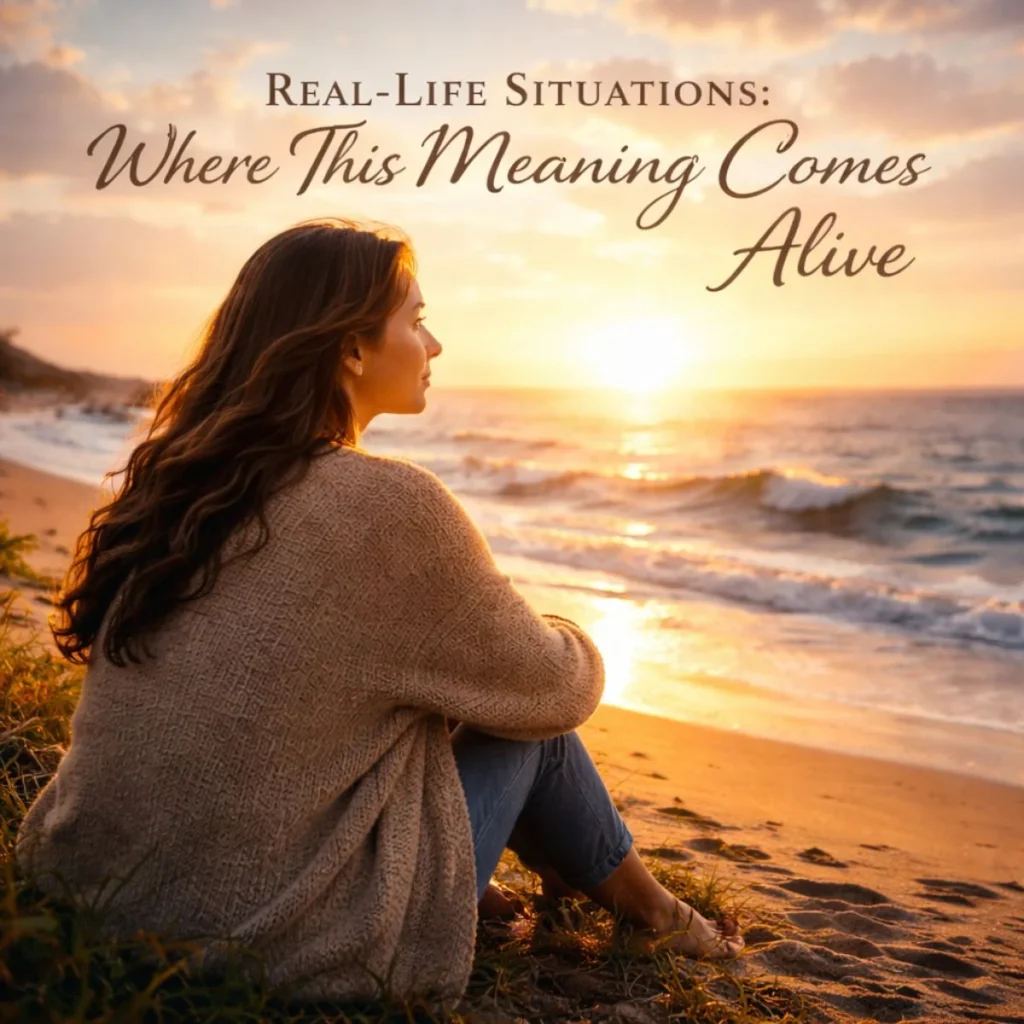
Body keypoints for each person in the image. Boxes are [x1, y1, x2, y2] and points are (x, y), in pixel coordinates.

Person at [16, 218, 742, 1012]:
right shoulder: (390, 505)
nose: (434, 345)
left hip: (89, 893)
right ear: (351, 350)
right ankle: (656, 913)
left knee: (428, 691)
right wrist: (565, 631)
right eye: (417, 321)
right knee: (533, 731)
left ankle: (577, 884)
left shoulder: (181, 490)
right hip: (270, 941)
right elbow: (554, 688)